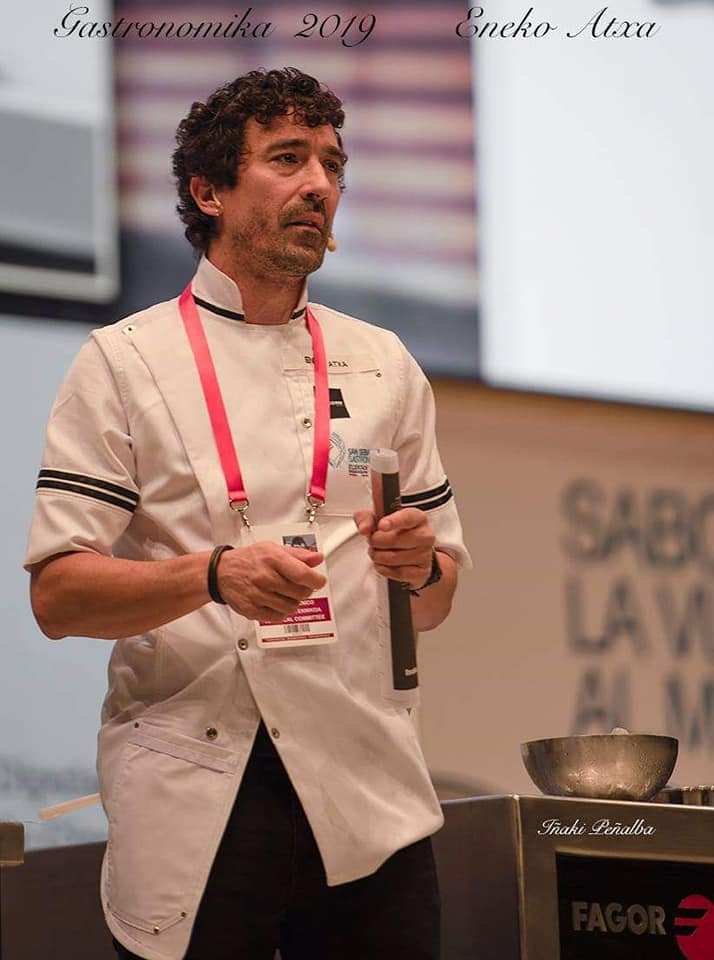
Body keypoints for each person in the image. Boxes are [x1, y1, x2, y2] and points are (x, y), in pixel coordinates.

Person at [24, 68, 471, 960]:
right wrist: (212, 576)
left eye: (333, 165)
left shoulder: (384, 363)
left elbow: (433, 601)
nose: (319, 185)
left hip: (367, 791)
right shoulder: (124, 360)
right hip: (202, 785)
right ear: (209, 192)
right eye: (288, 159)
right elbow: (59, 596)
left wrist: (418, 563)